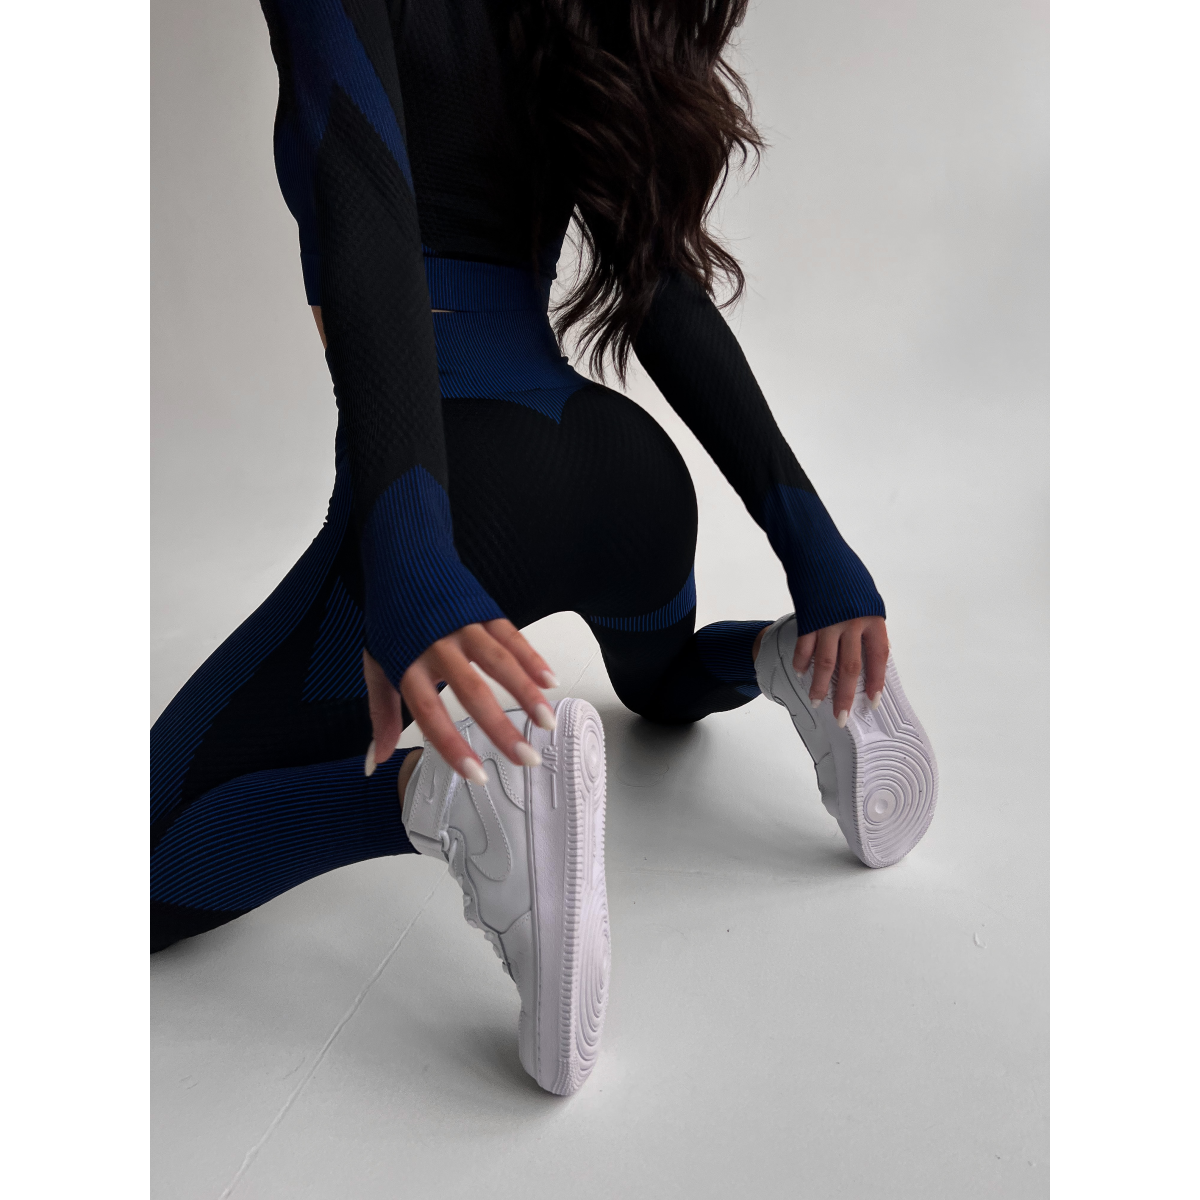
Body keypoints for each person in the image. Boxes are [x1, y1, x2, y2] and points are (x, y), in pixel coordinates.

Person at [150, 0, 937, 1095]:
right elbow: (662, 292)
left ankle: (448, 799)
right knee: (661, 684)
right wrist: (817, 550)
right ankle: (787, 659)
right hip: (622, 471)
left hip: (459, 489)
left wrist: (412, 554)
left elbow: (367, 209)